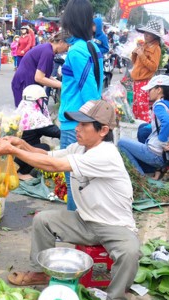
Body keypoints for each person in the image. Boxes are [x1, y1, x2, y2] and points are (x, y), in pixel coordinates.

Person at [0, 100, 140, 300]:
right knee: (43, 220)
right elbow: (48, 156)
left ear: (103, 130)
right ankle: (41, 273)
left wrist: (13, 151)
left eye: (84, 125)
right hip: (85, 220)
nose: (77, 128)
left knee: (130, 252)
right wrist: (21, 145)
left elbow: (54, 165)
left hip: (115, 226)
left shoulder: (106, 154)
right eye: (78, 123)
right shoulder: (81, 148)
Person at [59, 0, 103, 211]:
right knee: (81, 183)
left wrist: (87, 125)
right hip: (81, 121)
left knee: (73, 184)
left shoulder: (77, 51)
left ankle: (73, 231)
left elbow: (90, 94)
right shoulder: (92, 46)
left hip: (74, 123)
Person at [118, 75, 169, 178]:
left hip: (155, 154)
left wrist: (162, 142)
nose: (148, 92)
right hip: (162, 155)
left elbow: (167, 121)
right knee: (142, 129)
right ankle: (149, 172)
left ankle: (140, 177)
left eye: (150, 89)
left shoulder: (159, 105)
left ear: (158, 90)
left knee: (121, 143)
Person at [11, 30, 69, 107]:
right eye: (67, 46)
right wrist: (62, 85)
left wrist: (61, 84)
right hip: (25, 83)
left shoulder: (47, 48)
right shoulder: (48, 52)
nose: (67, 49)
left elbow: (45, 75)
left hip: (26, 82)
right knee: (26, 114)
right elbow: (39, 78)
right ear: (61, 42)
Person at [15, 84, 60, 179]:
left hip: (15, 153)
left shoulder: (21, 110)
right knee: (45, 147)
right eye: (41, 100)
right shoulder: (35, 118)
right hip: (20, 156)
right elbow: (56, 132)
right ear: (37, 100)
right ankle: (22, 172)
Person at [131, 20, 162, 123]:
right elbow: (135, 63)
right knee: (136, 107)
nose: (146, 35)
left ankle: (144, 130)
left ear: (154, 35)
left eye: (149, 33)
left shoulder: (156, 48)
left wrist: (142, 55)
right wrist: (134, 53)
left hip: (145, 82)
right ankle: (137, 129)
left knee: (142, 109)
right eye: (145, 32)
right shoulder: (144, 45)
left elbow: (153, 67)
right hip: (137, 81)